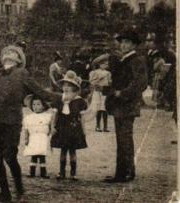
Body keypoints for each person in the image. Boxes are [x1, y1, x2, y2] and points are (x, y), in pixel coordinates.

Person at [0, 31, 57, 202]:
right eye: (6, 52)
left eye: (13, 52)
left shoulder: (22, 73)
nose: (8, 53)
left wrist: (60, 99)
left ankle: (20, 190)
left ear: (19, 59)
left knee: (10, 155)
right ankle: (5, 192)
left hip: (12, 121)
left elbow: (40, 91)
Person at [93, 28, 148, 183]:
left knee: (124, 139)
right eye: (122, 42)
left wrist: (122, 94)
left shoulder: (137, 60)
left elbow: (140, 83)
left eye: (127, 42)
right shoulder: (124, 60)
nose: (124, 45)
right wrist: (106, 89)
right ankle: (124, 172)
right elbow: (119, 81)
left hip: (127, 105)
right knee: (122, 139)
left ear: (134, 45)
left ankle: (125, 173)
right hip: (120, 105)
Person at [50, 70, 88, 181]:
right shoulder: (59, 100)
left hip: (74, 128)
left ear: (74, 88)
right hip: (62, 127)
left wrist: (84, 130)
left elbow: (82, 118)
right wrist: (52, 127)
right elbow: (55, 115)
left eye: (69, 85)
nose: (66, 87)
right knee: (63, 150)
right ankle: (61, 172)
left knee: (72, 150)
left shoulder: (79, 101)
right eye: (64, 85)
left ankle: (73, 173)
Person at [22, 95, 53, 178]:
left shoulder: (47, 116)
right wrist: (26, 138)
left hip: (42, 138)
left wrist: (48, 135)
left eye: (38, 104)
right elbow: (26, 129)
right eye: (34, 104)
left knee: (42, 155)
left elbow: (50, 127)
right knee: (34, 154)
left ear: (43, 106)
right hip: (33, 138)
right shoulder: (29, 117)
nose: (35, 107)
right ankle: (32, 171)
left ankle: (43, 172)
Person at [89, 59, 112, 132]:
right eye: (104, 64)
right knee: (99, 109)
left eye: (106, 64)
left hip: (105, 91)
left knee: (104, 108)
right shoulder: (95, 72)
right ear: (100, 65)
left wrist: (109, 82)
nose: (105, 66)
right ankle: (98, 126)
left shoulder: (108, 73)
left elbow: (109, 82)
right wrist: (98, 79)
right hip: (98, 91)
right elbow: (92, 82)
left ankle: (105, 126)